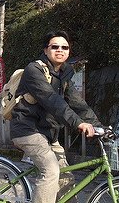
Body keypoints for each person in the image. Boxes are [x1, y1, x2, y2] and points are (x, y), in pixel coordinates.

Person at [10, 30, 102, 203]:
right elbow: (52, 101)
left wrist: (98, 126)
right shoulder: (34, 70)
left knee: (66, 178)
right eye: (55, 46)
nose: (60, 50)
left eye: (64, 47)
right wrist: (78, 124)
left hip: (48, 134)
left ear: (69, 51)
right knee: (51, 171)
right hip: (27, 130)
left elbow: (78, 104)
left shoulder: (64, 74)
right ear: (46, 50)